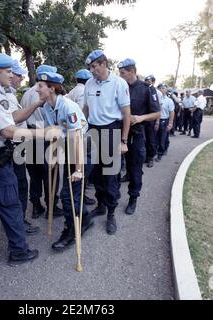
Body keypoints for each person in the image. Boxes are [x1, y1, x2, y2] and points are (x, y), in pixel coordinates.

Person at [0, 52, 44, 269]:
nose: (12, 75)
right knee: (10, 204)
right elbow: (7, 130)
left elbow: (12, 117)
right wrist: (43, 134)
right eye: (8, 72)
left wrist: (36, 106)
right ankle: (18, 251)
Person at [37, 71, 95, 251]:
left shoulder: (68, 106)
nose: (37, 89)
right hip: (67, 148)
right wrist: (54, 157)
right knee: (72, 193)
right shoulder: (46, 107)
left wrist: (78, 169)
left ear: (52, 88)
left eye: (41, 86)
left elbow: (76, 137)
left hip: (81, 149)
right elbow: (54, 133)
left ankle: (71, 231)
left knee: (68, 195)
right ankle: (84, 220)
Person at [83, 50, 131, 235]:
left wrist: (124, 141)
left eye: (94, 66)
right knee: (95, 174)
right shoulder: (89, 83)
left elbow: (126, 113)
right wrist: (79, 125)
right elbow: (86, 109)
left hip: (112, 130)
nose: (92, 70)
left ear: (104, 64)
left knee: (110, 174)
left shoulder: (119, 83)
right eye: (90, 67)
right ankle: (101, 205)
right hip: (93, 130)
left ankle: (111, 213)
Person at [118, 59, 161, 215]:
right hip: (118, 132)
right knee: (116, 166)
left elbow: (157, 113)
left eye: (123, 73)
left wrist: (141, 118)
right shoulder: (118, 86)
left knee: (136, 166)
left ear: (132, 71)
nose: (120, 76)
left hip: (136, 133)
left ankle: (133, 198)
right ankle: (112, 195)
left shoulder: (147, 88)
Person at [21, 65, 63, 219]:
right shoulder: (44, 93)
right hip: (44, 136)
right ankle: (51, 206)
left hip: (30, 135)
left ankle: (36, 205)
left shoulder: (27, 93)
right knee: (50, 173)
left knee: (35, 174)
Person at [5, 59, 40, 235]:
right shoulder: (5, 95)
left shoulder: (14, 94)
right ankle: (19, 221)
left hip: (20, 143)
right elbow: (15, 119)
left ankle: (21, 217)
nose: (19, 78)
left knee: (26, 179)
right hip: (15, 144)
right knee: (20, 184)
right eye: (18, 75)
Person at [66, 69, 96, 206]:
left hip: (70, 134)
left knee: (73, 166)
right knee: (81, 168)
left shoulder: (72, 91)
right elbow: (82, 115)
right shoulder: (84, 91)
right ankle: (79, 199)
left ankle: (76, 197)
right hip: (80, 134)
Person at [144, 75, 162, 168]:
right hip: (143, 119)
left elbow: (158, 108)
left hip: (152, 119)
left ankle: (150, 158)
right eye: (146, 80)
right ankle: (145, 157)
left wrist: (157, 121)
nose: (147, 82)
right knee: (144, 139)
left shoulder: (157, 92)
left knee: (151, 139)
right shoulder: (143, 89)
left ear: (153, 82)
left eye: (149, 80)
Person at [155, 84, 174, 162]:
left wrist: (170, 123)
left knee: (163, 138)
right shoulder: (155, 99)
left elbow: (172, 112)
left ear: (166, 90)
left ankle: (160, 153)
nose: (161, 90)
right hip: (155, 120)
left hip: (164, 120)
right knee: (155, 138)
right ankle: (156, 151)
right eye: (160, 88)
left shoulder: (169, 100)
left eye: (163, 88)